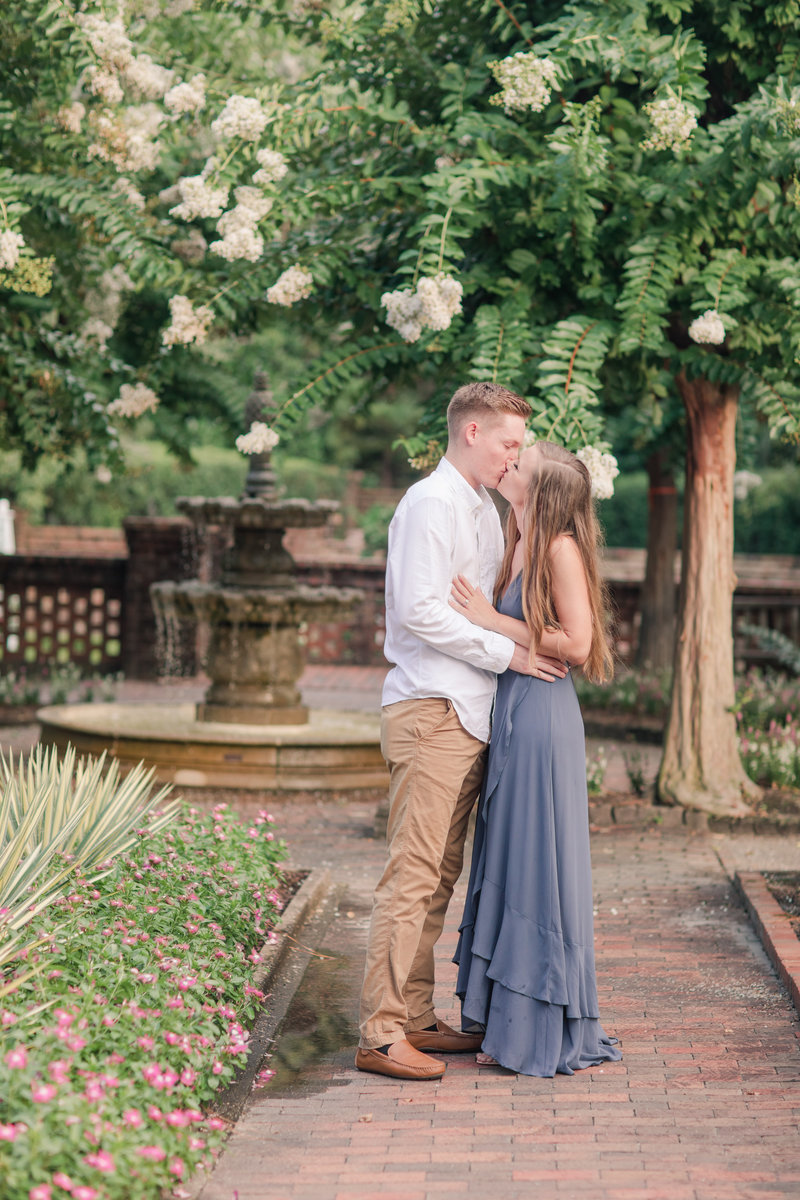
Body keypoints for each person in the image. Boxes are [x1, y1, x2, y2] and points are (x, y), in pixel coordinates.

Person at [355, 383, 568, 1082]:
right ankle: (381, 1033)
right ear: (471, 431)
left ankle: (414, 1015)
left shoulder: (479, 507)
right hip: (431, 709)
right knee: (411, 876)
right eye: (509, 442)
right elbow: (420, 612)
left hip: (467, 713)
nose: (515, 456)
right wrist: (509, 654)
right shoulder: (431, 504)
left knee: (439, 875)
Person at [451, 440, 622, 1076]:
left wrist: (491, 622)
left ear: (539, 492)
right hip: (513, 710)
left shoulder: (558, 549)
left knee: (535, 858)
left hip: (544, 715)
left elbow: (576, 643)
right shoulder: (515, 537)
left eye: (518, 467)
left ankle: (539, 1026)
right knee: (508, 853)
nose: (507, 467)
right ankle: (506, 1021)